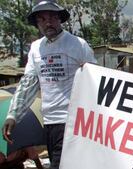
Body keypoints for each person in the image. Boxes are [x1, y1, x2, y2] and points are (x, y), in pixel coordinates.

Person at [2, 1, 97, 168]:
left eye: (53, 17)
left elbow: (95, 79)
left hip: (73, 120)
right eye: (42, 19)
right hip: (49, 122)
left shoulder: (78, 44)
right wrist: (13, 115)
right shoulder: (36, 49)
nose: (48, 22)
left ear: (60, 19)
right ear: (37, 24)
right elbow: (28, 84)